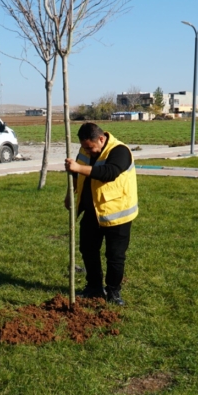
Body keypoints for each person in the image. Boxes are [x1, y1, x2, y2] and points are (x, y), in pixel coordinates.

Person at [64, 122, 138, 306]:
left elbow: (109, 172)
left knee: (115, 256)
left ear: (102, 139)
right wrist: (70, 194)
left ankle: (113, 292)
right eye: (85, 147)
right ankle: (94, 288)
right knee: (88, 251)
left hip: (117, 216)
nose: (88, 152)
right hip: (92, 212)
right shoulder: (84, 150)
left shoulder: (120, 151)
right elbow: (75, 174)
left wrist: (78, 169)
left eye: (91, 147)